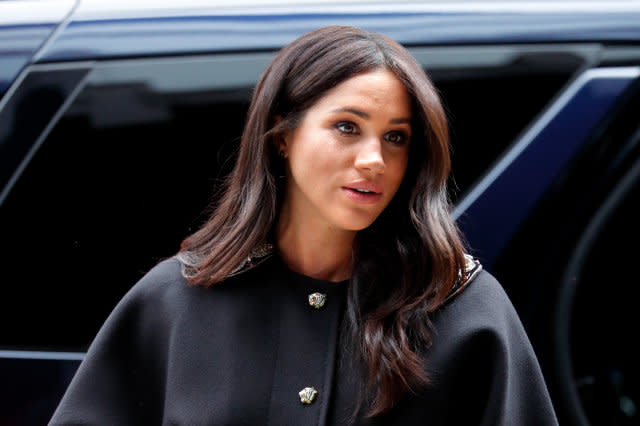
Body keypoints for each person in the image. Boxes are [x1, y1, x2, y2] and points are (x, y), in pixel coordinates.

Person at [49, 26, 558, 425]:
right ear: (282, 136)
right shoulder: (175, 300)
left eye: (396, 138)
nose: (374, 159)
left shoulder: (465, 309)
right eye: (346, 127)